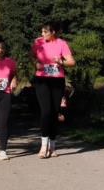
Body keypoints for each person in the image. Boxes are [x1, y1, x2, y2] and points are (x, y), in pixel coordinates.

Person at [31, 23, 75, 158]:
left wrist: (61, 62)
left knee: (55, 113)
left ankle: (53, 145)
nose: (42, 34)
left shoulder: (61, 43)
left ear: (53, 32)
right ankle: (43, 146)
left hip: (57, 81)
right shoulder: (38, 42)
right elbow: (31, 55)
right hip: (42, 80)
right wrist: (35, 63)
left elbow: (71, 62)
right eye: (42, 32)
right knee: (46, 112)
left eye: (45, 32)